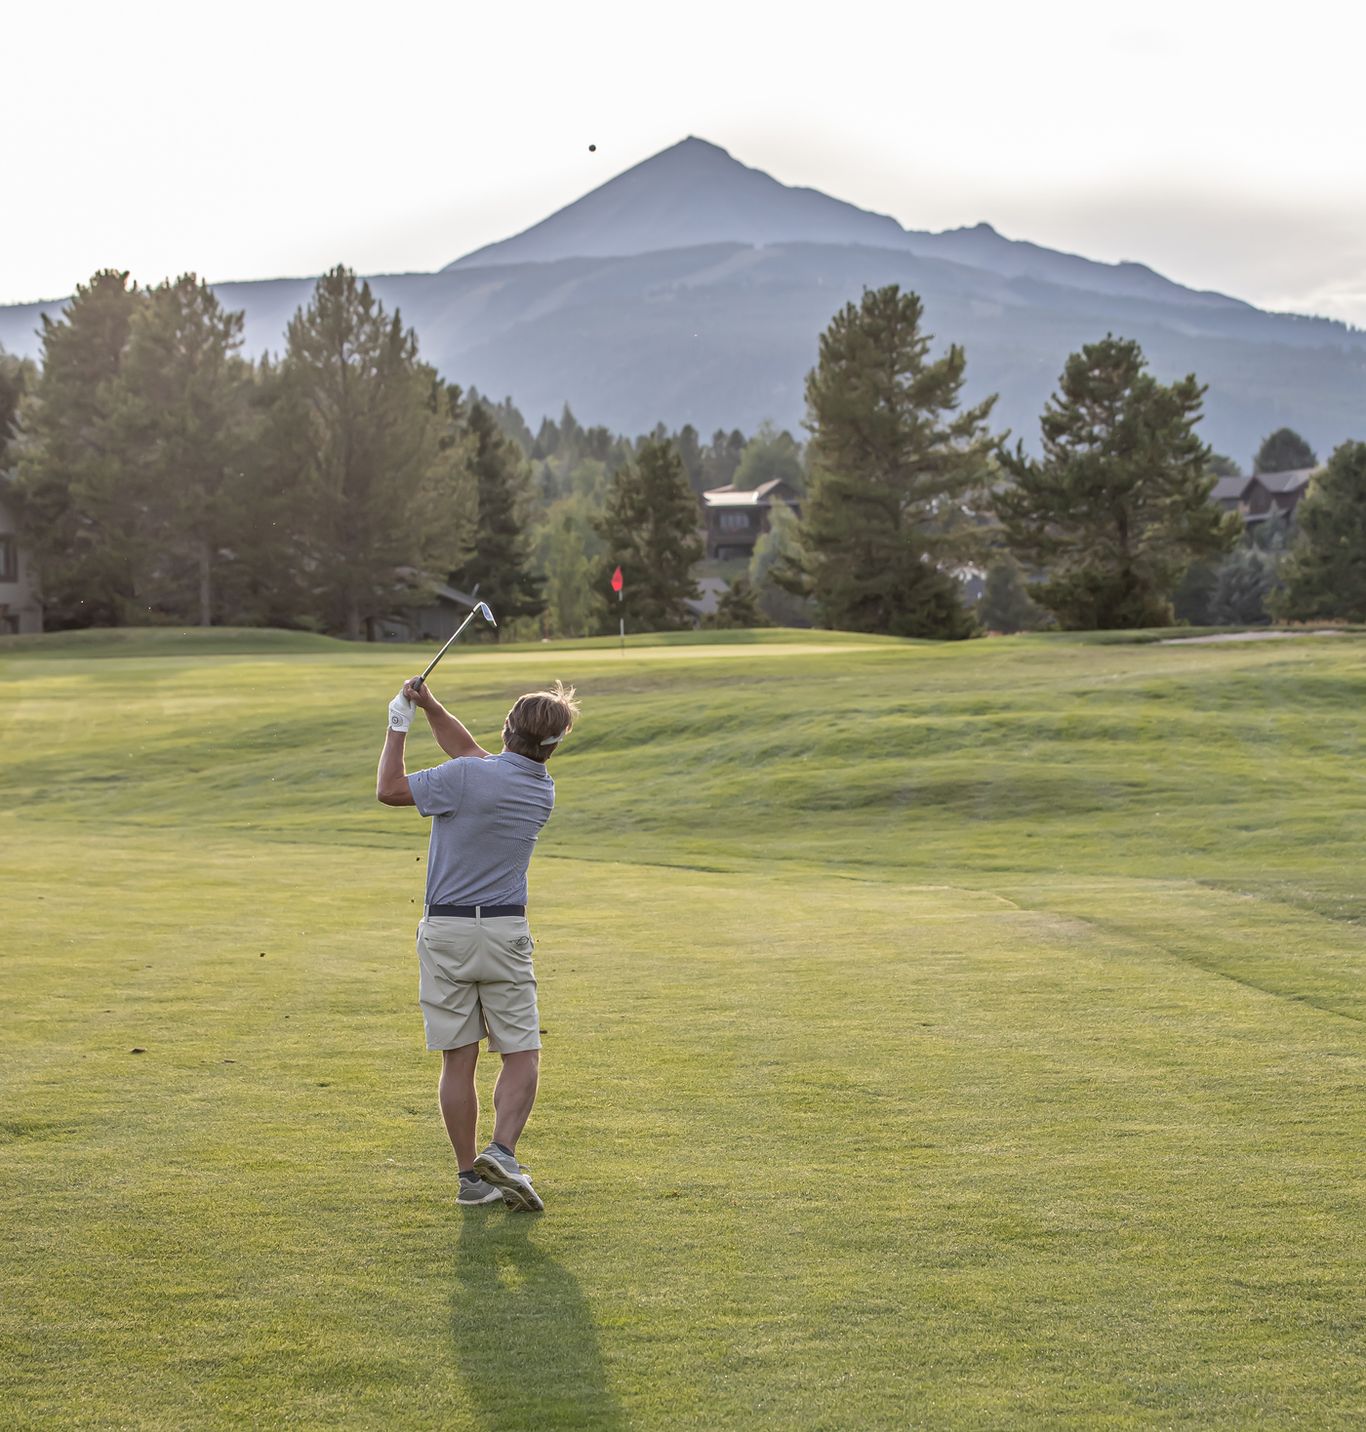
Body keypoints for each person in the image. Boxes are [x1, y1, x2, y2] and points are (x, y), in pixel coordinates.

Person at [376, 675, 580, 1212]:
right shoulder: (539, 787)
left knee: (458, 1060)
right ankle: (504, 1152)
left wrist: (399, 723)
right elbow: (469, 752)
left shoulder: (467, 775)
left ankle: (471, 1178)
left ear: (507, 729)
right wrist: (433, 706)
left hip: (445, 933)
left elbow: (390, 790)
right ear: (554, 746)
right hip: (506, 933)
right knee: (521, 1054)